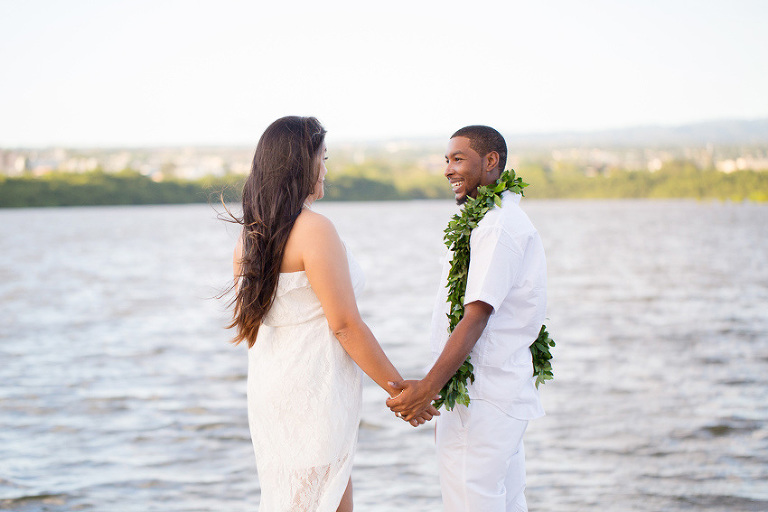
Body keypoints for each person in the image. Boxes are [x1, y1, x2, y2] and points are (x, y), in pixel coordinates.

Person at [228, 116, 437, 512]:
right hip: (312, 389)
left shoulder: (247, 237)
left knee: (308, 498)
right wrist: (401, 391)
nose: (326, 168)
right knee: (325, 500)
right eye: (323, 158)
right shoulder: (314, 230)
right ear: (300, 165)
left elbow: (257, 327)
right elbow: (344, 324)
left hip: (273, 388)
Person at [386, 125, 547, 512]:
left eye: (458, 159)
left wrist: (428, 388)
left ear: (491, 162)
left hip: (481, 397)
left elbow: (476, 315)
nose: (447, 169)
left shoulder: (497, 225)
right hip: (496, 393)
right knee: (505, 502)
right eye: (446, 160)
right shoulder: (493, 218)